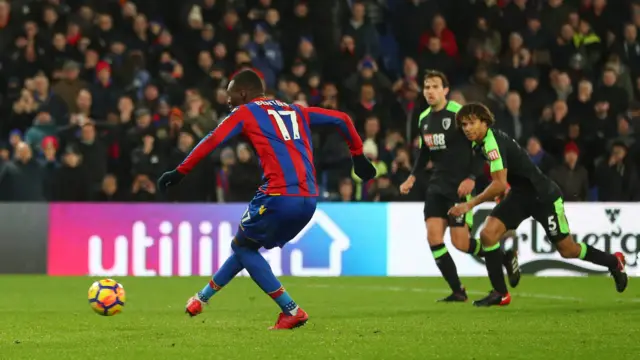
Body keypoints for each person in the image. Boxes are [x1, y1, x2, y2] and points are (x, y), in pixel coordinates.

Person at [157, 69, 376, 329]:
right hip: (308, 198)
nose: (227, 103)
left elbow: (212, 139)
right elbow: (341, 119)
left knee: (242, 247)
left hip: (278, 194)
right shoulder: (296, 111)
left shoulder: (245, 111)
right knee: (245, 246)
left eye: (229, 96)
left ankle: (291, 310)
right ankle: (201, 298)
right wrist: (358, 155)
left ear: (243, 93)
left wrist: (180, 171)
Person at [449, 103, 628, 307]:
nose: (467, 128)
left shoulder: (492, 143)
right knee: (488, 234)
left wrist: (469, 205)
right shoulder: (480, 142)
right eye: (464, 124)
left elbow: (498, 183)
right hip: (520, 194)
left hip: (543, 196)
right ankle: (500, 292)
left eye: (472, 123)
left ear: (485, 122)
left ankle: (614, 262)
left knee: (567, 250)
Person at [399, 70, 520, 302]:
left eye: (435, 86)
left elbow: (478, 146)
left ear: (445, 90)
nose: (430, 91)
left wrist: (472, 178)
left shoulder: (458, 113)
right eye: (426, 87)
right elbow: (424, 151)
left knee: (461, 243)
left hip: (459, 188)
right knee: (434, 238)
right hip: (437, 186)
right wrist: (413, 176)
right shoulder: (423, 117)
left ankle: (504, 257)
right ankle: (458, 290)